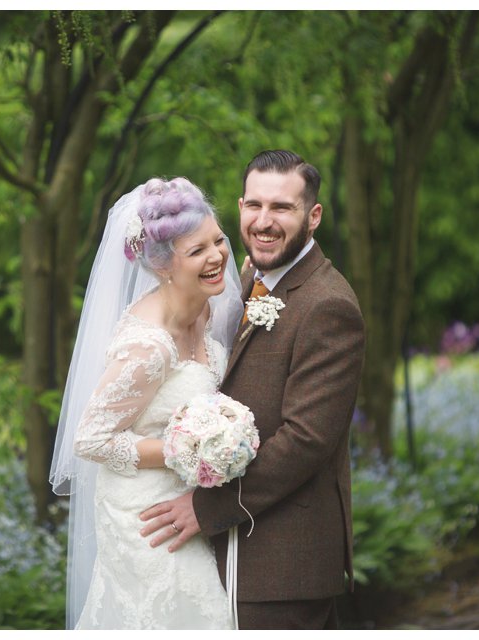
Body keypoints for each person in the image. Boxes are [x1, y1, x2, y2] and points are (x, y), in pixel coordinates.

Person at [139, 150, 366, 629]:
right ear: (239, 207)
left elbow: (306, 440)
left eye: (282, 208)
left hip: (282, 563)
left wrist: (208, 508)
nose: (264, 221)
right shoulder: (245, 277)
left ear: (313, 215)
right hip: (235, 553)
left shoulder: (328, 306)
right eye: (254, 206)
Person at [48, 177, 244, 629]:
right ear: (163, 267)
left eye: (218, 240)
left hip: (188, 500)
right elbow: (91, 439)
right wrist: (191, 449)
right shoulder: (149, 347)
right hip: (146, 517)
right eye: (197, 252)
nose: (217, 256)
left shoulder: (208, 309)